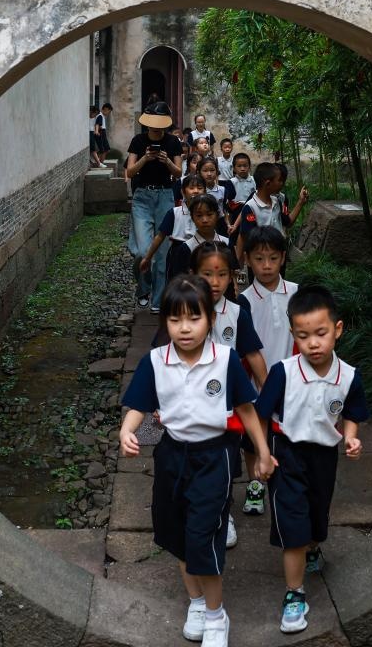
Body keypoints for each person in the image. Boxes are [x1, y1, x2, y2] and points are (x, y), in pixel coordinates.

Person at [120, 274, 276, 647]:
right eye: (175, 319)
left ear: (210, 318)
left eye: (194, 318)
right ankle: (196, 602)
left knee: (203, 535)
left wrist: (263, 451)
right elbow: (139, 404)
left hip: (214, 455)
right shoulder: (156, 361)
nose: (185, 328)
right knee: (177, 534)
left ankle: (217, 615)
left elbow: (246, 408)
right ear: (165, 322)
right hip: (172, 455)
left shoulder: (225, 360)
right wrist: (127, 430)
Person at [255, 285, 368, 633]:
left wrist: (351, 437)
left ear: (337, 329)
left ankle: (313, 547)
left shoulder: (349, 376)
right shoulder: (283, 372)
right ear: (293, 335)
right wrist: (263, 453)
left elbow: (352, 413)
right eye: (303, 336)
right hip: (286, 453)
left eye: (320, 333)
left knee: (317, 517)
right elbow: (260, 415)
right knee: (293, 526)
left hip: (323, 456)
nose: (313, 344)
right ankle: (295, 593)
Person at [192, 241, 268, 551]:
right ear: (193, 274)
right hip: (191, 402)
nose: (214, 282)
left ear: (232, 277)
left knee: (225, 461)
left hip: (227, 405)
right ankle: (199, 508)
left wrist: (268, 393)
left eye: (222, 274)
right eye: (207, 274)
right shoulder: (183, 311)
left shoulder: (237, 314)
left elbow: (253, 354)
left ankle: (224, 515)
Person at [237, 226, 298, 518]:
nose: (266, 266)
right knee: (253, 438)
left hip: (293, 382)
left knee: (288, 436)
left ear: (283, 258)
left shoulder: (296, 294)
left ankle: (289, 484)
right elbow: (248, 348)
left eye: (273, 258)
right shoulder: (244, 301)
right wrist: (262, 383)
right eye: (259, 259)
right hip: (256, 384)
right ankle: (255, 484)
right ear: (248, 259)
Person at [126, 102, 182, 313]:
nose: (156, 128)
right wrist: (145, 159)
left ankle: (158, 300)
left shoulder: (173, 142)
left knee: (162, 253)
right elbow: (130, 172)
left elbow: (178, 173)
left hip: (165, 196)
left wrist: (167, 161)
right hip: (142, 197)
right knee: (142, 252)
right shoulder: (138, 141)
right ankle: (143, 289)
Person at [235, 162, 309, 267]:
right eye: (280, 180)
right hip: (260, 258)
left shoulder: (277, 201)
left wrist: (300, 202)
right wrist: (239, 262)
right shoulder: (251, 206)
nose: (282, 184)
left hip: (278, 254)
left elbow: (287, 222)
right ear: (268, 183)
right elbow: (245, 236)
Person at [139, 174, 206, 284]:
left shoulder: (208, 214)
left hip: (201, 252)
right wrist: (147, 258)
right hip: (178, 253)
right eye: (191, 188)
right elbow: (160, 236)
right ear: (183, 192)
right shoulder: (174, 213)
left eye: (199, 188)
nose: (196, 191)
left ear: (205, 192)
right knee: (176, 284)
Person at [197, 157, 234, 234]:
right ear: (199, 172)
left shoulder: (222, 190)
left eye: (212, 170)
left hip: (220, 224)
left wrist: (228, 224)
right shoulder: (197, 191)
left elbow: (224, 210)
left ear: (217, 172)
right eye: (205, 171)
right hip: (203, 222)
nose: (209, 174)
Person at [227, 152, 256, 235]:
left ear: (249, 167)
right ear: (234, 168)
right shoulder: (232, 182)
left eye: (245, 166)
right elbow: (230, 201)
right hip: (237, 212)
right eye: (239, 166)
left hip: (253, 211)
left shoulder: (254, 180)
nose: (242, 168)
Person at [95, 102, 113, 168]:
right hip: (101, 133)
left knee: (106, 149)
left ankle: (100, 162)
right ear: (105, 109)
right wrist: (98, 130)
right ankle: (100, 163)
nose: (109, 113)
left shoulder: (102, 116)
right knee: (103, 150)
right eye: (109, 111)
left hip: (103, 133)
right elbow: (97, 124)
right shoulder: (100, 116)